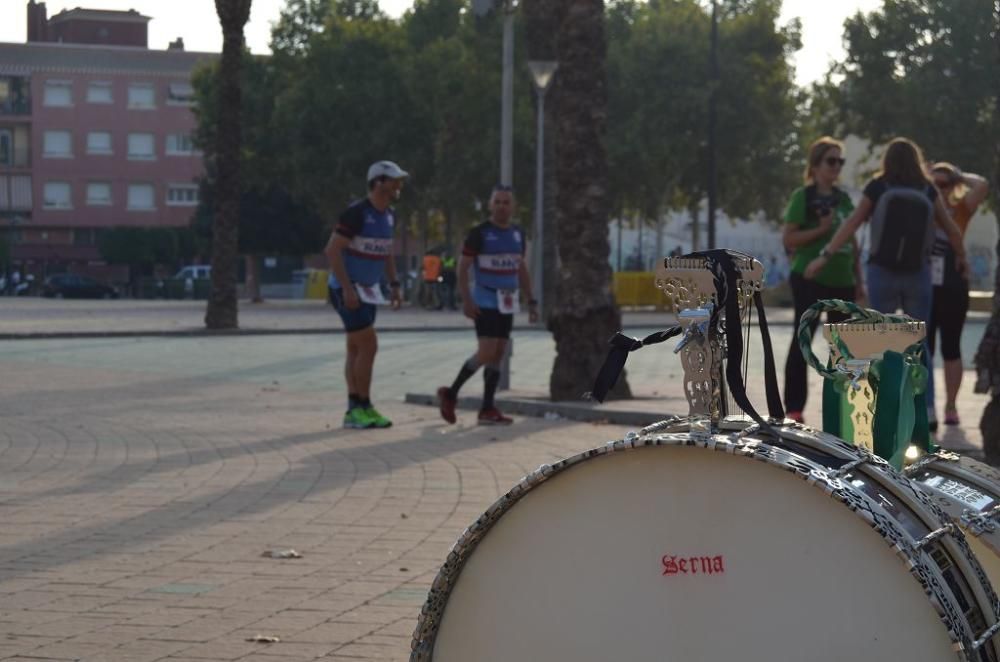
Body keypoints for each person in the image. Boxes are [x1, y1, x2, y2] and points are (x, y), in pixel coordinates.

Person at [804, 137, 968, 431]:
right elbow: (952, 229)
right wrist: (962, 259)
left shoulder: (878, 187)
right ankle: (926, 407)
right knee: (920, 341)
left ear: (887, 161)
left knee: (880, 338)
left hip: (881, 271)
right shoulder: (927, 189)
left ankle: (879, 403)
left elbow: (852, 223)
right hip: (918, 273)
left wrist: (824, 255)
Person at [436, 185, 538, 425]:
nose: (502, 206)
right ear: (490, 205)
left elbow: (520, 267)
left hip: (508, 301)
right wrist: (466, 300)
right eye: (498, 202)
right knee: (486, 351)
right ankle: (450, 393)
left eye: (506, 202)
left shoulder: (517, 234)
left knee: (499, 353)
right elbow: (462, 267)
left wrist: (531, 299)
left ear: (513, 207)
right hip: (484, 299)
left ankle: (487, 407)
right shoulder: (479, 233)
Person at [781, 136, 861, 423]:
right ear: (815, 165)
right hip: (809, 278)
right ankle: (794, 407)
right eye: (831, 160)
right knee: (802, 340)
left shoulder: (844, 199)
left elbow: (852, 241)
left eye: (840, 161)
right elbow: (789, 238)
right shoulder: (803, 196)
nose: (836, 166)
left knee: (846, 347)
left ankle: (844, 407)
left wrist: (860, 282)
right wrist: (821, 229)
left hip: (843, 280)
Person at [324, 160, 407, 429]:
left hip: (370, 292)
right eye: (394, 180)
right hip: (346, 289)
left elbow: (386, 252)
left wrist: (394, 284)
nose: (398, 185)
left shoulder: (390, 215)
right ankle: (364, 405)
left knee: (356, 348)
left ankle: (354, 410)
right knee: (369, 345)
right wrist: (347, 289)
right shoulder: (356, 213)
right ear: (379, 182)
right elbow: (332, 251)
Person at [926, 162, 989, 426]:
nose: (940, 189)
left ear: (953, 187)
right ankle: (925, 406)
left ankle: (951, 405)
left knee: (951, 347)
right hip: (924, 284)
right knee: (922, 347)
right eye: (935, 184)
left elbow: (982, 185)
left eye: (945, 184)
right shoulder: (922, 205)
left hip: (953, 283)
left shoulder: (960, 208)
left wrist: (957, 175)